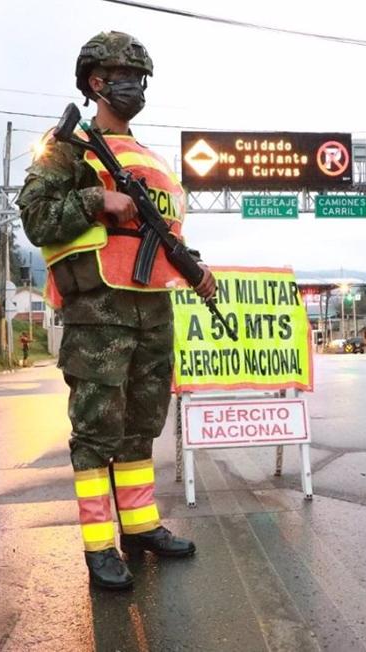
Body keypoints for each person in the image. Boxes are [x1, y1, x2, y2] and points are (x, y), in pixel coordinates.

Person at [16, 31, 216, 591]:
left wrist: (196, 268)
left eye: (140, 77)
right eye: (122, 75)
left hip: (152, 310)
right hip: (99, 314)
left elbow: (165, 232)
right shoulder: (69, 148)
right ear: (95, 83)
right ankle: (99, 543)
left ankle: (140, 524)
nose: (134, 86)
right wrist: (95, 199)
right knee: (96, 432)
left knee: (140, 427)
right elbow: (35, 217)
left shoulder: (149, 159)